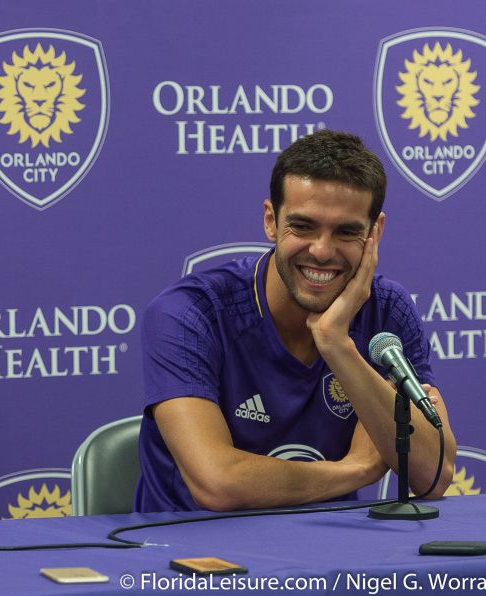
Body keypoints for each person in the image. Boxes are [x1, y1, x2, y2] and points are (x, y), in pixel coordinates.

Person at [135, 130, 457, 513]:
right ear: (271, 221)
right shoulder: (189, 313)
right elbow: (217, 485)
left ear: (375, 233)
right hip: (192, 558)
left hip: (330, 554)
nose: (321, 251)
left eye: (346, 232)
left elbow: (433, 473)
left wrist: (336, 343)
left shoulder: (386, 310)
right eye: (302, 227)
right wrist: (356, 469)